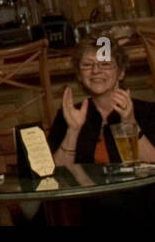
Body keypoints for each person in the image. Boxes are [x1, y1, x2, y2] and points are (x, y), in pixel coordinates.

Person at [49, 37, 155, 166]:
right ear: (79, 76)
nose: (96, 71)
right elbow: (57, 175)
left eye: (105, 64)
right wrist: (73, 131)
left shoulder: (148, 111)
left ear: (121, 73)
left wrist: (129, 122)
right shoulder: (68, 115)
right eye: (87, 65)